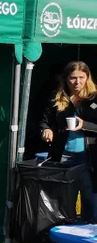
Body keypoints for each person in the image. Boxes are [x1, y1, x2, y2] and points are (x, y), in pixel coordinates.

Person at [40, 60, 97, 221]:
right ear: (65, 79)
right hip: (63, 156)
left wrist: (84, 125)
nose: (77, 82)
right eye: (73, 78)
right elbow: (44, 120)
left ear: (88, 77)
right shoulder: (57, 98)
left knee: (89, 198)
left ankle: (88, 239)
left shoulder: (94, 98)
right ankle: (64, 240)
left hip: (89, 157)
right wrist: (46, 129)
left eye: (81, 77)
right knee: (64, 199)